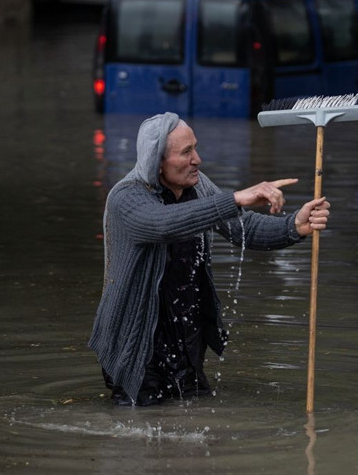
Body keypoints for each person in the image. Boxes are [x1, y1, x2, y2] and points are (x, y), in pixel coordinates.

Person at [88, 112, 331, 406]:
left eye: (196, 148)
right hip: (135, 340)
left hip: (186, 334)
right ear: (157, 162)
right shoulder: (125, 197)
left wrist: (294, 226)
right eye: (186, 152)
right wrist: (235, 198)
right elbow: (163, 223)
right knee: (138, 422)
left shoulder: (198, 187)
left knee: (194, 415)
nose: (197, 159)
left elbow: (244, 227)